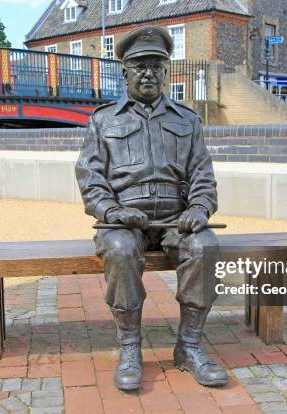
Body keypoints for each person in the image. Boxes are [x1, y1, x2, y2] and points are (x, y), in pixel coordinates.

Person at [75, 26, 227, 391]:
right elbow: (90, 178)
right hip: (125, 221)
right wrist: (112, 212)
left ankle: (189, 346)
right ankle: (130, 348)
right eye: (140, 66)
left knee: (204, 247)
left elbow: (203, 176)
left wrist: (200, 209)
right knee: (121, 249)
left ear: (166, 71)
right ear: (125, 71)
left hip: (176, 219)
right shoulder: (104, 120)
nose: (149, 73)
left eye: (157, 66)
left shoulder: (187, 121)